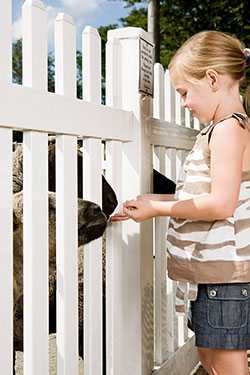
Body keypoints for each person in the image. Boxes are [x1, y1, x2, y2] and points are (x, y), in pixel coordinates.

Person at [111, 31, 250, 375]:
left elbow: (220, 204)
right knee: (210, 357)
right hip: (213, 274)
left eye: (185, 92)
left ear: (213, 79)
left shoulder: (229, 130)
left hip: (226, 276)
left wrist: (158, 210)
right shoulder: (219, 129)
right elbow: (207, 193)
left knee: (226, 364)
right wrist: (153, 199)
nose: (185, 103)